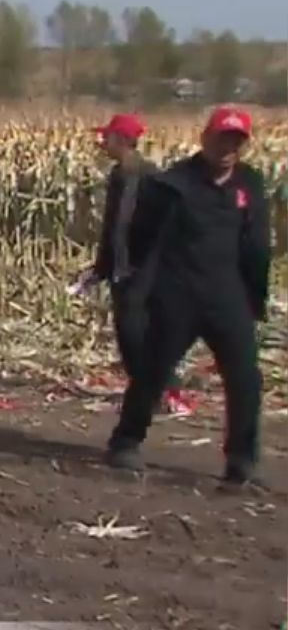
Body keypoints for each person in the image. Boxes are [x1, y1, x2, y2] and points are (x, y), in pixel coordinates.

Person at [106, 106, 272, 487]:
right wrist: (143, 288)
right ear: (205, 138)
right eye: (222, 139)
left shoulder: (249, 184)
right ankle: (126, 440)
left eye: (236, 141)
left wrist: (255, 295)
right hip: (178, 294)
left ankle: (242, 459)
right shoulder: (174, 184)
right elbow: (140, 237)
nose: (228, 148)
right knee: (152, 371)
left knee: (245, 378)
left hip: (228, 294)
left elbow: (257, 243)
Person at [84, 112, 188, 415]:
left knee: (136, 331)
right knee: (129, 333)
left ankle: (159, 389)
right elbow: (113, 226)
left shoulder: (147, 176)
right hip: (125, 268)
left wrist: (141, 264)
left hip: (142, 269)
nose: (102, 142)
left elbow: (155, 225)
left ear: (122, 140)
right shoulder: (121, 174)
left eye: (107, 137)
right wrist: (102, 267)